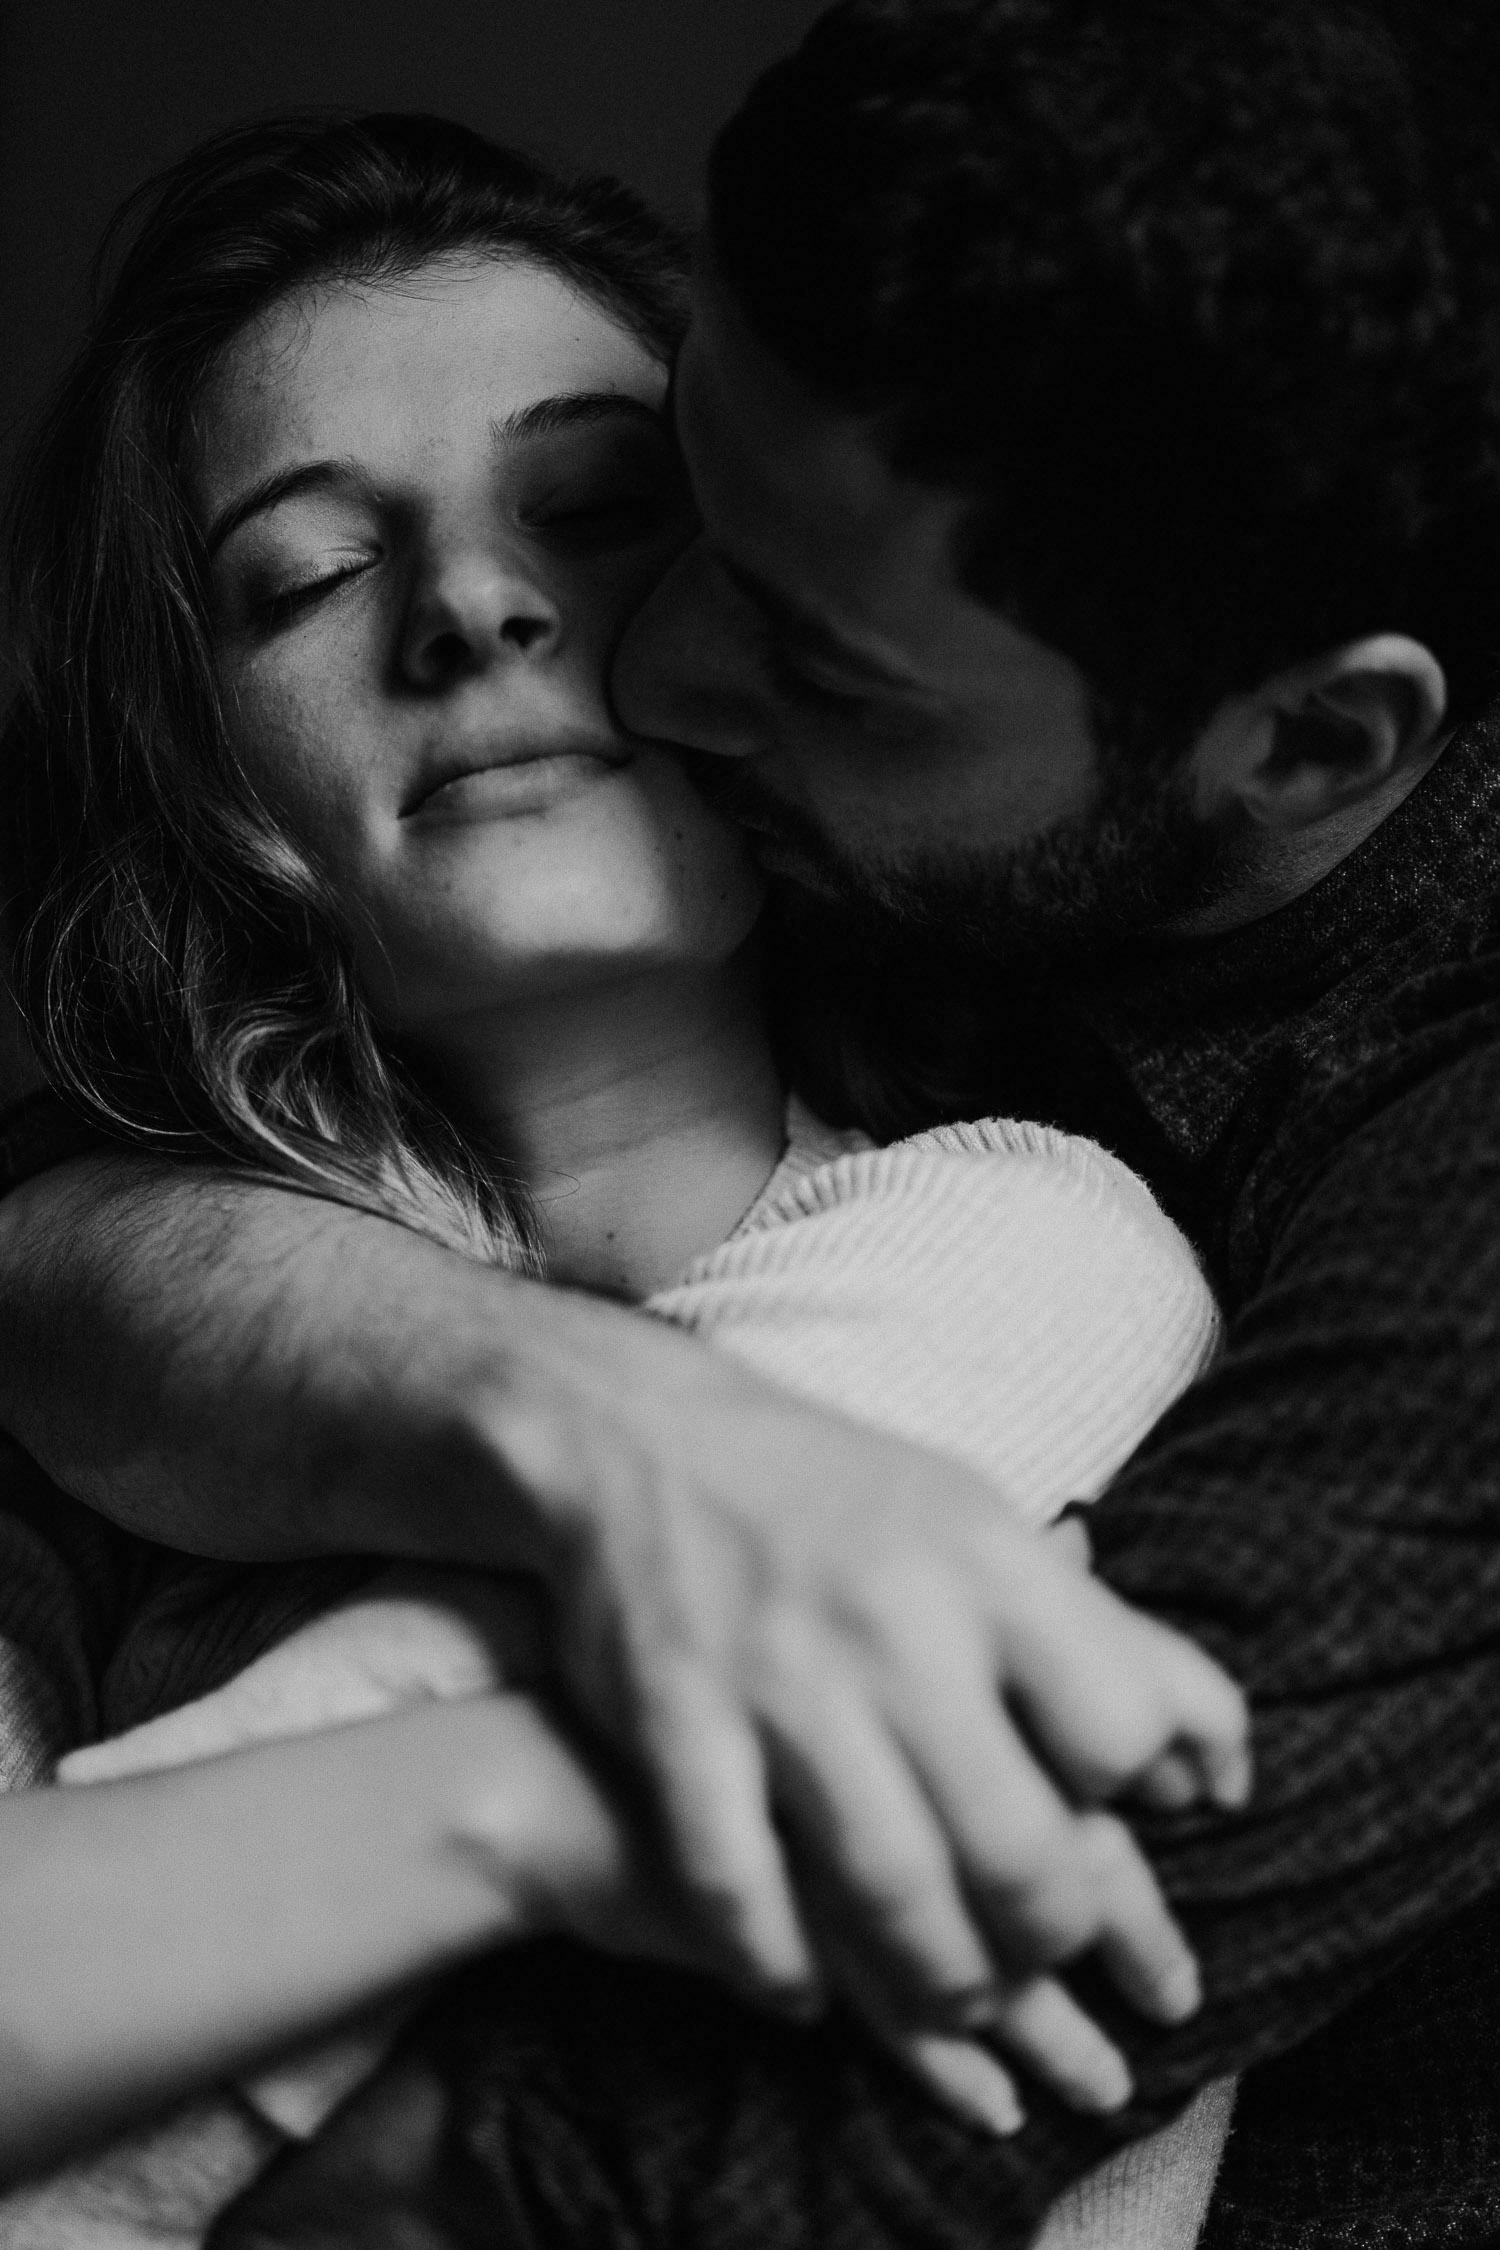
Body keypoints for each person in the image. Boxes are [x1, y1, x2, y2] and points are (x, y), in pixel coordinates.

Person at [6, 0, 1500, 2240]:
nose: (638, 651)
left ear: (1302, 753)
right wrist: (583, 1430)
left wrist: (537, 1777)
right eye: (302, 574)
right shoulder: (127, 1291)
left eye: (606, 512)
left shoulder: (1065, 1250)